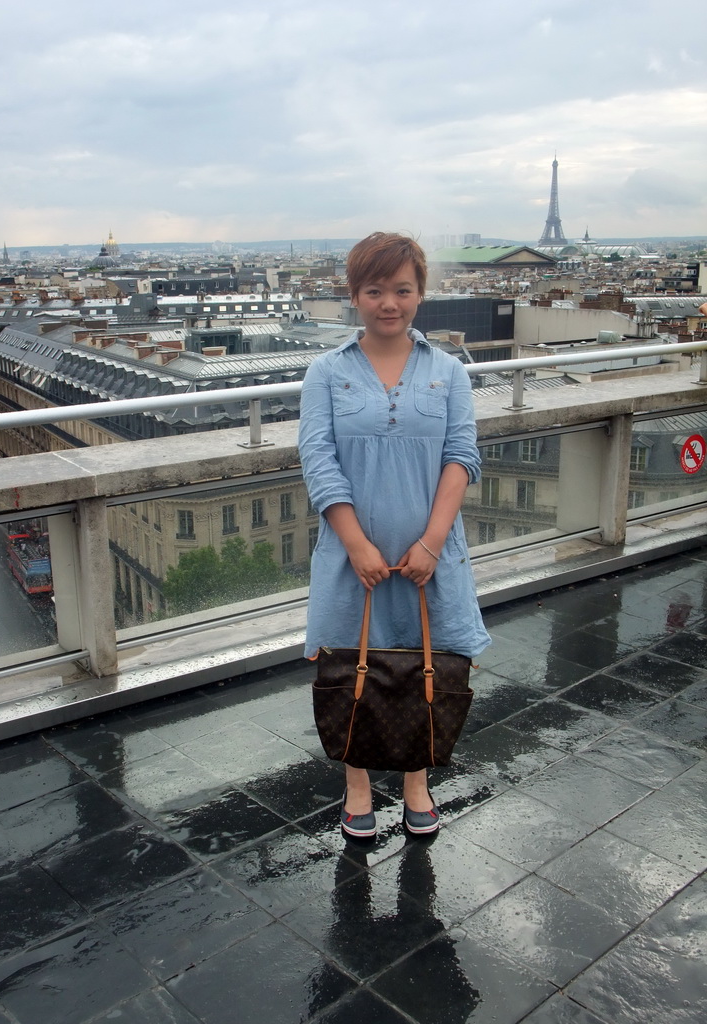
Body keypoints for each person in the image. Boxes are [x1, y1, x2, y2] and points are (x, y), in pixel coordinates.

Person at [299, 231, 490, 838]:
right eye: (375, 290)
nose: (389, 302)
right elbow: (318, 460)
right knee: (349, 668)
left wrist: (432, 542)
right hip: (349, 555)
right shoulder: (325, 372)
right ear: (354, 295)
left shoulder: (449, 371)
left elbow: (462, 458)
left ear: (420, 293)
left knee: (428, 664)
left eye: (402, 290)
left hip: (432, 555)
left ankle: (415, 780)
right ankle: (357, 784)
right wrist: (355, 544)